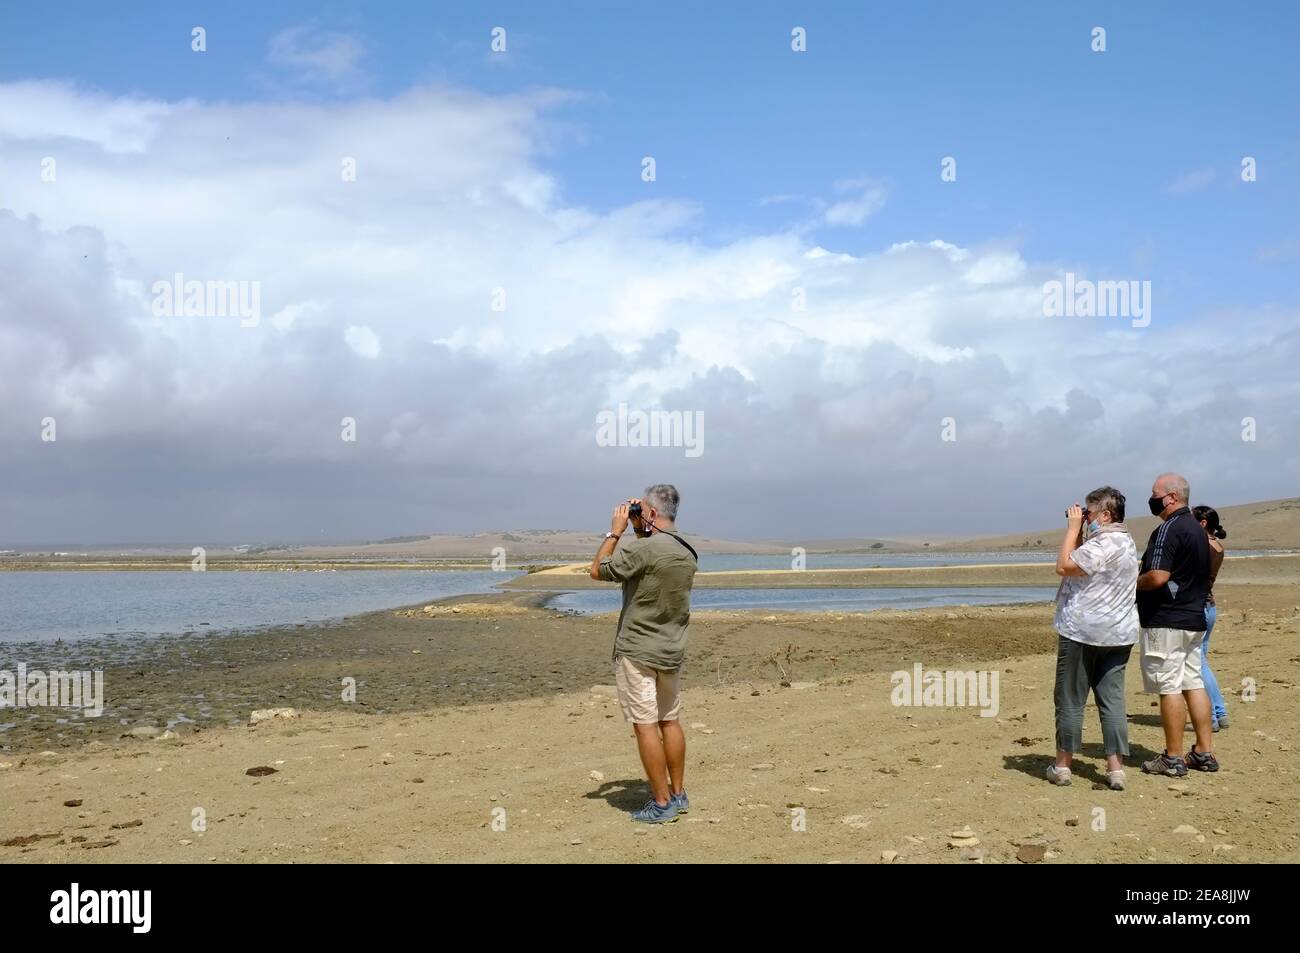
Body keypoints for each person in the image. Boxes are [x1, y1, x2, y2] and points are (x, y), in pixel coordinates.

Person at [588, 484, 697, 823]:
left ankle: (661, 803)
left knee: (645, 725)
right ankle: (677, 794)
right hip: (671, 648)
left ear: (651, 513)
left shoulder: (645, 549)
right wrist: (640, 529)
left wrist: (615, 531)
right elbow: (649, 559)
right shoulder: (687, 550)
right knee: (670, 720)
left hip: (638, 649)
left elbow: (599, 569)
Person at [1047, 487, 1139, 791]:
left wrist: (1073, 528)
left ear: (1106, 515)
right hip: (1119, 633)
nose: (1085, 517)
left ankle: (1062, 766)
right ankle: (1116, 770)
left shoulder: (1103, 544)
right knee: (1112, 701)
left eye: (1089, 512)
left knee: (1071, 698)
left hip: (1083, 633)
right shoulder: (1126, 542)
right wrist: (1083, 528)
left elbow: (1063, 566)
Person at [1136, 473, 1219, 777]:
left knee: (1169, 685)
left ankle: (1173, 757)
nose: (1151, 497)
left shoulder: (1168, 528)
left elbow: (1158, 575)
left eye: (1155, 492)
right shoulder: (1198, 530)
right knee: (1193, 682)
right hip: (1193, 618)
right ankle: (1203, 752)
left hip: (1167, 620)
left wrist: (1133, 584)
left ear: (1171, 496)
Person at [1192, 505, 1229, 730]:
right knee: (1202, 661)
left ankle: (1213, 717)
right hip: (1209, 607)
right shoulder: (1218, 546)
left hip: (1198, 607)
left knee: (1199, 664)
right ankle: (1219, 712)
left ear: (1203, 523)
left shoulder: (1202, 546)